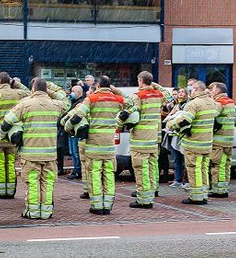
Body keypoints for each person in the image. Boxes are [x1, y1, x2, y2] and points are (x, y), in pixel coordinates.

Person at [1, 78, 68, 220]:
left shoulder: (25, 104)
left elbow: (6, 123)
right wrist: (51, 90)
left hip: (30, 154)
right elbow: (66, 100)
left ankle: (33, 211)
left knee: (32, 182)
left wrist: (4, 136)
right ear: (46, 89)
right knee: (47, 182)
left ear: (33, 89)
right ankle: (46, 211)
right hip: (50, 154)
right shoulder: (55, 104)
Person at [66, 76, 127, 213]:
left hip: (94, 145)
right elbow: (131, 104)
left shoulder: (92, 99)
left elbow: (77, 116)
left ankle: (97, 205)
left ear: (98, 85)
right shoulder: (117, 99)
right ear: (110, 86)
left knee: (95, 174)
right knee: (109, 174)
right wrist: (116, 91)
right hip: (109, 146)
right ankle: (108, 205)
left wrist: (68, 127)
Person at [166, 80, 220, 205]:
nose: (190, 92)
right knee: (203, 169)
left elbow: (185, 120)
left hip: (194, 143)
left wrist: (170, 124)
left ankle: (196, 197)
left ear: (196, 89)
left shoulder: (193, 104)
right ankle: (203, 194)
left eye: (191, 89)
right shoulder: (211, 102)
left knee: (194, 169)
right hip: (207, 143)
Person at [123, 72, 166, 208]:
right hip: (153, 139)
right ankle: (151, 193)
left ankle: (144, 200)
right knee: (152, 168)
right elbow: (167, 94)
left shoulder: (137, 96)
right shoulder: (159, 95)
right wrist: (154, 85)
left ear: (140, 81)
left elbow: (126, 106)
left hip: (140, 140)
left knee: (141, 170)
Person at [0, 72, 29, 199]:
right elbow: (29, 93)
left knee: (0, 163)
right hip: (12, 136)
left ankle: (1, 191)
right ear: (9, 81)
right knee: (11, 162)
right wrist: (16, 83)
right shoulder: (18, 94)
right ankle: (11, 191)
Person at [209, 82, 236, 198]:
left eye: (212, 90)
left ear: (217, 91)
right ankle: (224, 188)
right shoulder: (230, 102)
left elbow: (212, 114)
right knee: (226, 165)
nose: (211, 92)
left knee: (218, 165)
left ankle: (218, 191)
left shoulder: (219, 102)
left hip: (218, 141)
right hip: (228, 140)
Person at [166, 87, 189, 188]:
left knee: (186, 160)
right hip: (176, 136)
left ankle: (187, 181)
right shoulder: (176, 104)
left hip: (184, 136)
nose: (180, 94)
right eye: (179, 92)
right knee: (177, 158)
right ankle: (178, 179)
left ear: (187, 94)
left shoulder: (188, 105)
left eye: (183, 92)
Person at [65, 85, 84, 178]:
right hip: (71, 131)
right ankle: (76, 169)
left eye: (74, 91)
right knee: (72, 152)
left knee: (76, 153)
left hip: (75, 131)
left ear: (79, 93)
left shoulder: (80, 103)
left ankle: (77, 170)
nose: (72, 93)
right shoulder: (72, 102)